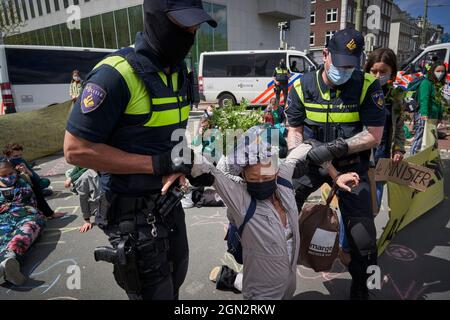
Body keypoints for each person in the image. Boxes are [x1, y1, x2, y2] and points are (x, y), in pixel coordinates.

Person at [63, 0, 217, 300]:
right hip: (130, 214)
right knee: (154, 294)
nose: (189, 33)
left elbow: (171, 136)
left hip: (168, 206)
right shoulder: (115, 74)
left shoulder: (180, 75)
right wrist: (156, 164)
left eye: (194, 27)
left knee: (176, 281)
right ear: (155, 18)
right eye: (182, 26)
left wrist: (183, 165)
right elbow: (75, 150)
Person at [190, 126, 359, 300]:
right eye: (254, 179)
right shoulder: (241, 199)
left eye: (267, 177)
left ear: (276, 170)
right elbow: (208, 171)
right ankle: (232, 279)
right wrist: (173, 162)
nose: (262, 183)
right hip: (261, 295)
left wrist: (334, 164)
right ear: (243, 175)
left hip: (289, 284)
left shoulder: (283, 181)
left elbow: (304, 148)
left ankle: (232, 278)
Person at [285, 28, 386, 300]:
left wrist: (335, 148)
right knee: (280, 213)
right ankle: (276, 273)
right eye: (339, 63)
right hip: (312, 162)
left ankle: (368, 287)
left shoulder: (368, 85)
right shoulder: (299, 85)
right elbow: (293, 131)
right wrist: (301, 154)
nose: (344, 70)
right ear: (325, 54)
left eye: (350, 65)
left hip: (351, 165)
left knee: (363, 236)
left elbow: (374, 136)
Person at [364, 48, 406, 207]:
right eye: (373, 71)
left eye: (383, 71)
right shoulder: (360, 93)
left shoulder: (395, 97)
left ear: (392, 72)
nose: (377, 75)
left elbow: (399, 124)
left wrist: (399, 148)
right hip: (360, 155)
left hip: (382, 155)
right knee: (354, 205)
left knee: (375, 201)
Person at [0, 160, 45, 286]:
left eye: (10, 174)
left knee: (26, 231)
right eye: (3, 176)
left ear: (15, 171)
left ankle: (8, 262)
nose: (8, 178)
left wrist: (27, 173)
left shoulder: (23, 181)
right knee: (3, 237)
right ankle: (5, 266)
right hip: (4, 220)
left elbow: (39, 189)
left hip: (27, 215)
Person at [411, 62, 447, 154]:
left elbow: (438, 103)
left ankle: (425, 161)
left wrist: (439, 116)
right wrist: (424, 114)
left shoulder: (437, 84)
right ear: (432, 71)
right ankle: (412, 161)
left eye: (442, 71)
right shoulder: (426, 83)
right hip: (424, 116)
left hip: (433, 117)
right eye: (438, 71)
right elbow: (424, 99)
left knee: (430, 140)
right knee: (420, 139)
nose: (440, 73)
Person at [64, 167, 100, 233]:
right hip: (99, 207)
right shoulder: (85, 178)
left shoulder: (110, 170)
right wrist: (87, 220)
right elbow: (83, 200)